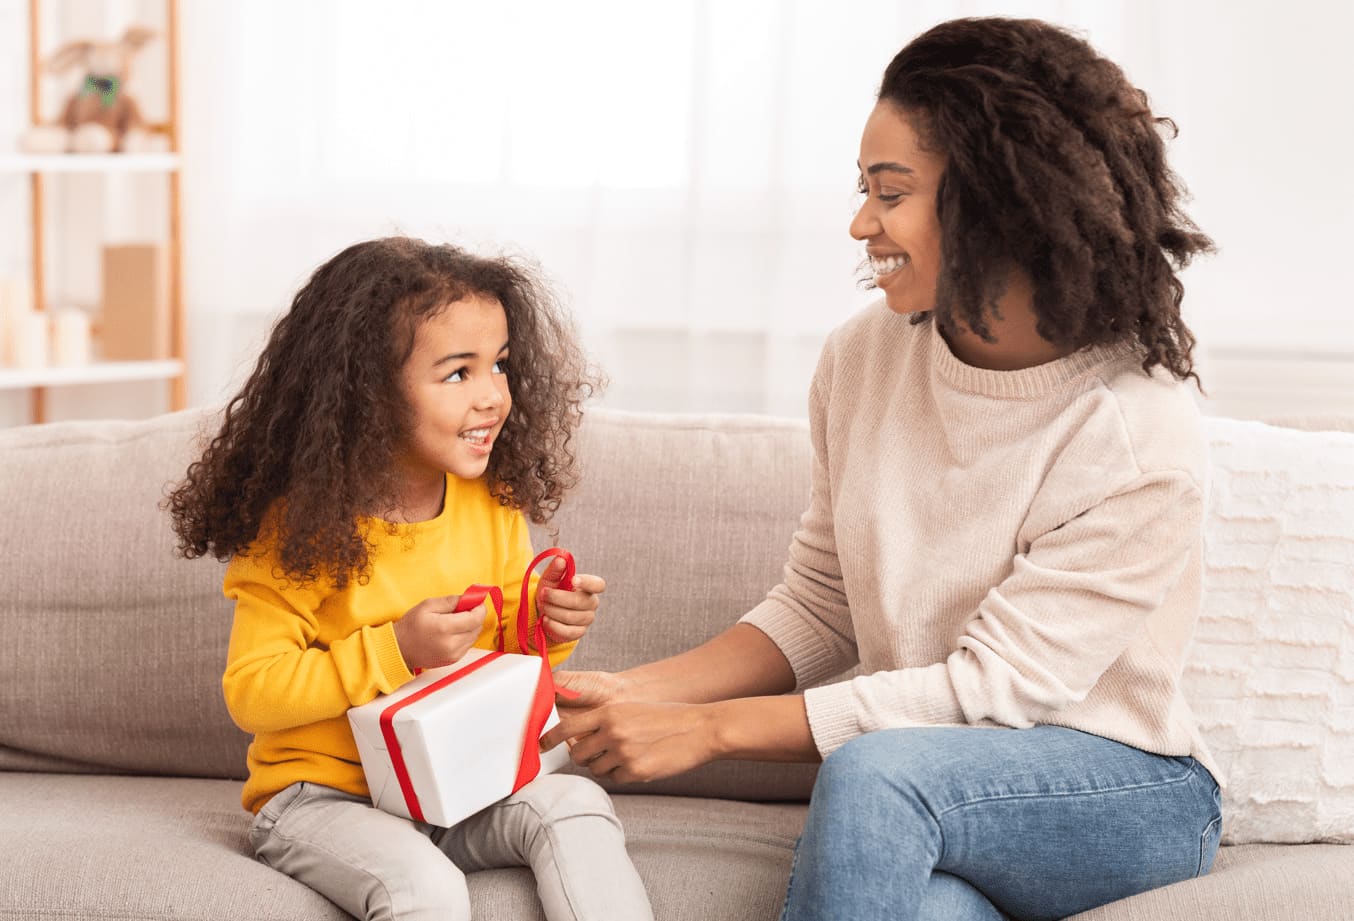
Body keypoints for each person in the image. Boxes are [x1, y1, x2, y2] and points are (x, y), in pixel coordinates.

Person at [541, 16, 1222, 921]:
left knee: (875, 775)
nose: (861, 223)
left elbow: (989, 693)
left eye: (890, 192)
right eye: (864, 189)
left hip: (1121, 788)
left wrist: (702, 729)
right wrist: (628, 690)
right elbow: (821, 604)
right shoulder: (863, 359)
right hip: (919, 787)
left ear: (997, 204)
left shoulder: (1135, 432)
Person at [167, 237, 654, 921]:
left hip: (456, 782)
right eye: (458, 373)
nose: (492, 396)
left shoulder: (491, 501)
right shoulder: (298, 527)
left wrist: (547, 626)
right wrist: (396, 647)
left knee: (575, 805)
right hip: (323, 799)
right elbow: (253, 691)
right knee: (426, 889)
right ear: (367, 394)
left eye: (501, 365)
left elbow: (504, 655)